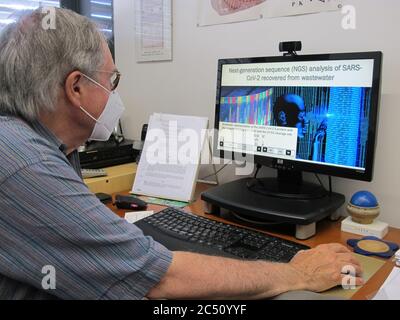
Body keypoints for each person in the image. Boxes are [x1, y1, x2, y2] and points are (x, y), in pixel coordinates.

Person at [0, 8, 363, 300]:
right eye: (111, 81)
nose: (114, 95)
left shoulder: (42, 143)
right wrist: (296, 272)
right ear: (76, 88)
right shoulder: (25, 163)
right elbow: (160, 280)